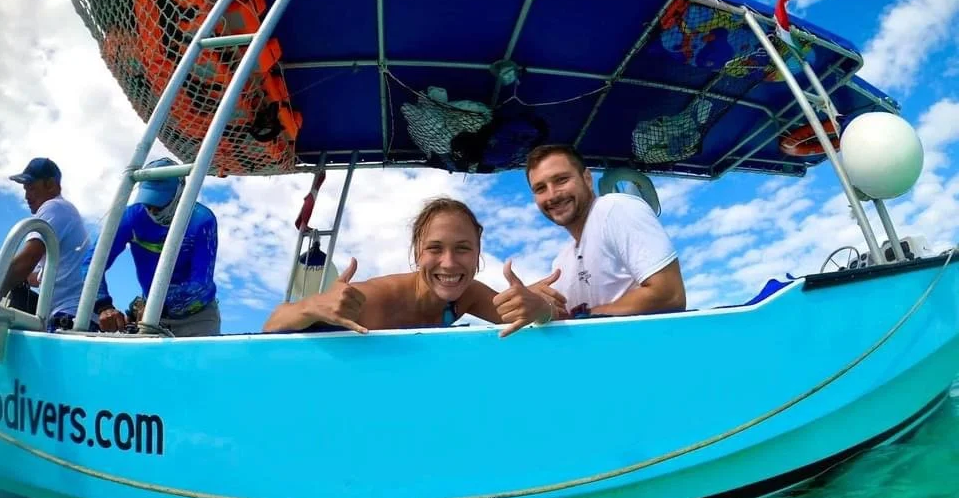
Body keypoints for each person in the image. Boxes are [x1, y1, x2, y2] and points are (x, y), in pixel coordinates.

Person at [263, 197, 554, 337]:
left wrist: (540, 308)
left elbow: (531, 319)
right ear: (417, 253)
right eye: (434, 248)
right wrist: (312, 306)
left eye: (463, 249)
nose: (449, 263)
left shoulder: (470, 295)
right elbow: (272, 325)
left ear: (478, 255)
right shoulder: (374, 298)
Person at [519, 144, 686, 321]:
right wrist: (535, 305)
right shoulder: (560, 262)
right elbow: (566, 321)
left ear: (587, 178)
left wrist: (586, 316)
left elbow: (669, 294)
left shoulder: (616, 208)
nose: (552, 195)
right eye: (540, 188)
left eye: (561, 180)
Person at [85, 157, 220, 337]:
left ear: (180, 194)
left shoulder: (202, 220)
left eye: (159, 202)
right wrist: (103, 306)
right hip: (150, 315)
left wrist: (157, 305)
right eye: (148, 203)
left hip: (197, 317)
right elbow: (91, 264)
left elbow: (200, 284)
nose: (152, 210)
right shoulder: (131, 216)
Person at [1, 158, 90, 329]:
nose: (27, 196)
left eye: (32, 188)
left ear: (50, 185)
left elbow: (26, 262)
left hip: (68, 316)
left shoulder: (54, 207)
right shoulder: (65, 212)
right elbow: (34, 277)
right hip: (72, 314)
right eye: (25, 189)